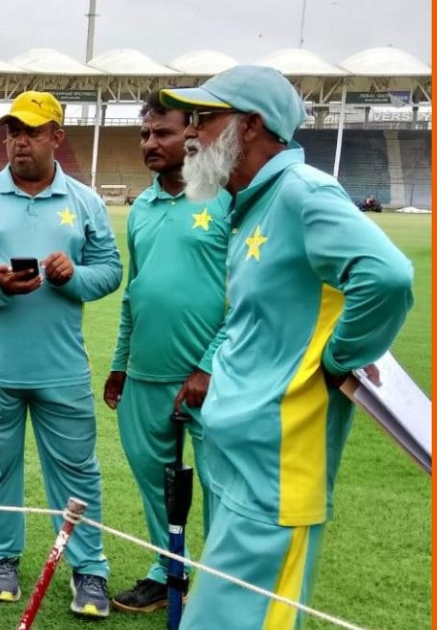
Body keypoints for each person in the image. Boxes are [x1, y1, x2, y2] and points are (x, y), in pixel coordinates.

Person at [159, 65, 413, 629]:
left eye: (206, 117)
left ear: (250, 126)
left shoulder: (303, 192)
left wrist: (341, 355)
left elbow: (388, 276)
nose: (192, 131)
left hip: (277, 469)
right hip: (236, 459)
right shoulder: (251, 203)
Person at [0, 90, 122, 618]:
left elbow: (110, 270)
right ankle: (2, 558)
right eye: (12, 131)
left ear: (56, 138)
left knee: (78, 471)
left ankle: (89, 570)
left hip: (61, 369)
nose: (19, 141)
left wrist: (75, 277)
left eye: (32, 131)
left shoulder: (85, 202)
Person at [104, 91, 228, 613]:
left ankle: (222, 588)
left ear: (192, 135)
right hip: (147, 374)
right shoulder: (142, 208)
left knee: (223, 489)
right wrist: (119, 362)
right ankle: (166, 570)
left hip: (214, 378)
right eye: (145, 134)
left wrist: (207, 366)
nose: (150, 144)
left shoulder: (225, 199)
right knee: (153, 481)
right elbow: (137, 291)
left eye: (163, 133)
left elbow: (245, 296)